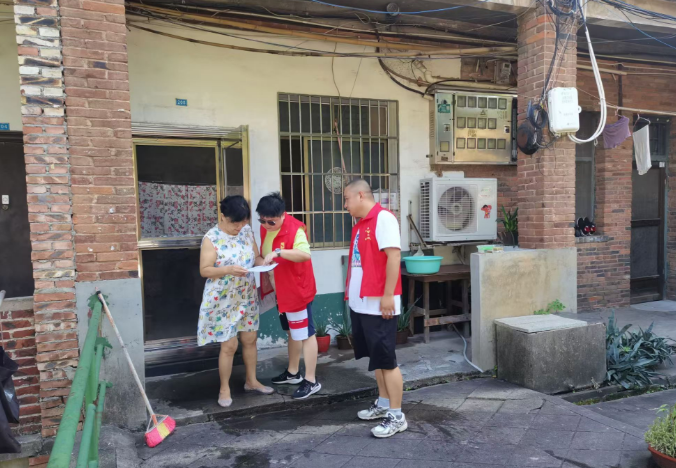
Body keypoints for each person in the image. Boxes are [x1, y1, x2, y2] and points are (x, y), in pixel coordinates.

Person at [344, 179, 406, 438]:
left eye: (346, 199)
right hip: (362, 303)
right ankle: (383, 404)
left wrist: (388, 295)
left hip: (380, 302)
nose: (345, 206)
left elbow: (394, 256)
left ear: (360, 195)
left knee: (387, 360)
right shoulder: (360, 226)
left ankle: (397, 415)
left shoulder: (384, 219)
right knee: (376, 358)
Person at [197, 195, 274, 408]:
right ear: (223, 216)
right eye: (235, 223)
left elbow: (256, 257)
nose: (239, 227)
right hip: (223, 299)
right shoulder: (211, 238)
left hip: (246, 295)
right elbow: (205, 270)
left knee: (250, 339)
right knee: (229, 346)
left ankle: (252, 381)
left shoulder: (247, 231)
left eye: (243, 222)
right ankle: (224, 388)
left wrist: (265, 262)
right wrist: (228, 270)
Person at [256, 192, 321, 400]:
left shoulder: (295, 229)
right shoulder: (265, 228)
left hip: (296, 291)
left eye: (271, 221)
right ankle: (293, 373)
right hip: (280, 291)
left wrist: (278, 253)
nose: (266, 225)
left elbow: (304, 254)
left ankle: (311, 380)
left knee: (306, 333)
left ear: (282, 215)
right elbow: (262, 254)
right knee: (292, 331)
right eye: (262, 220)